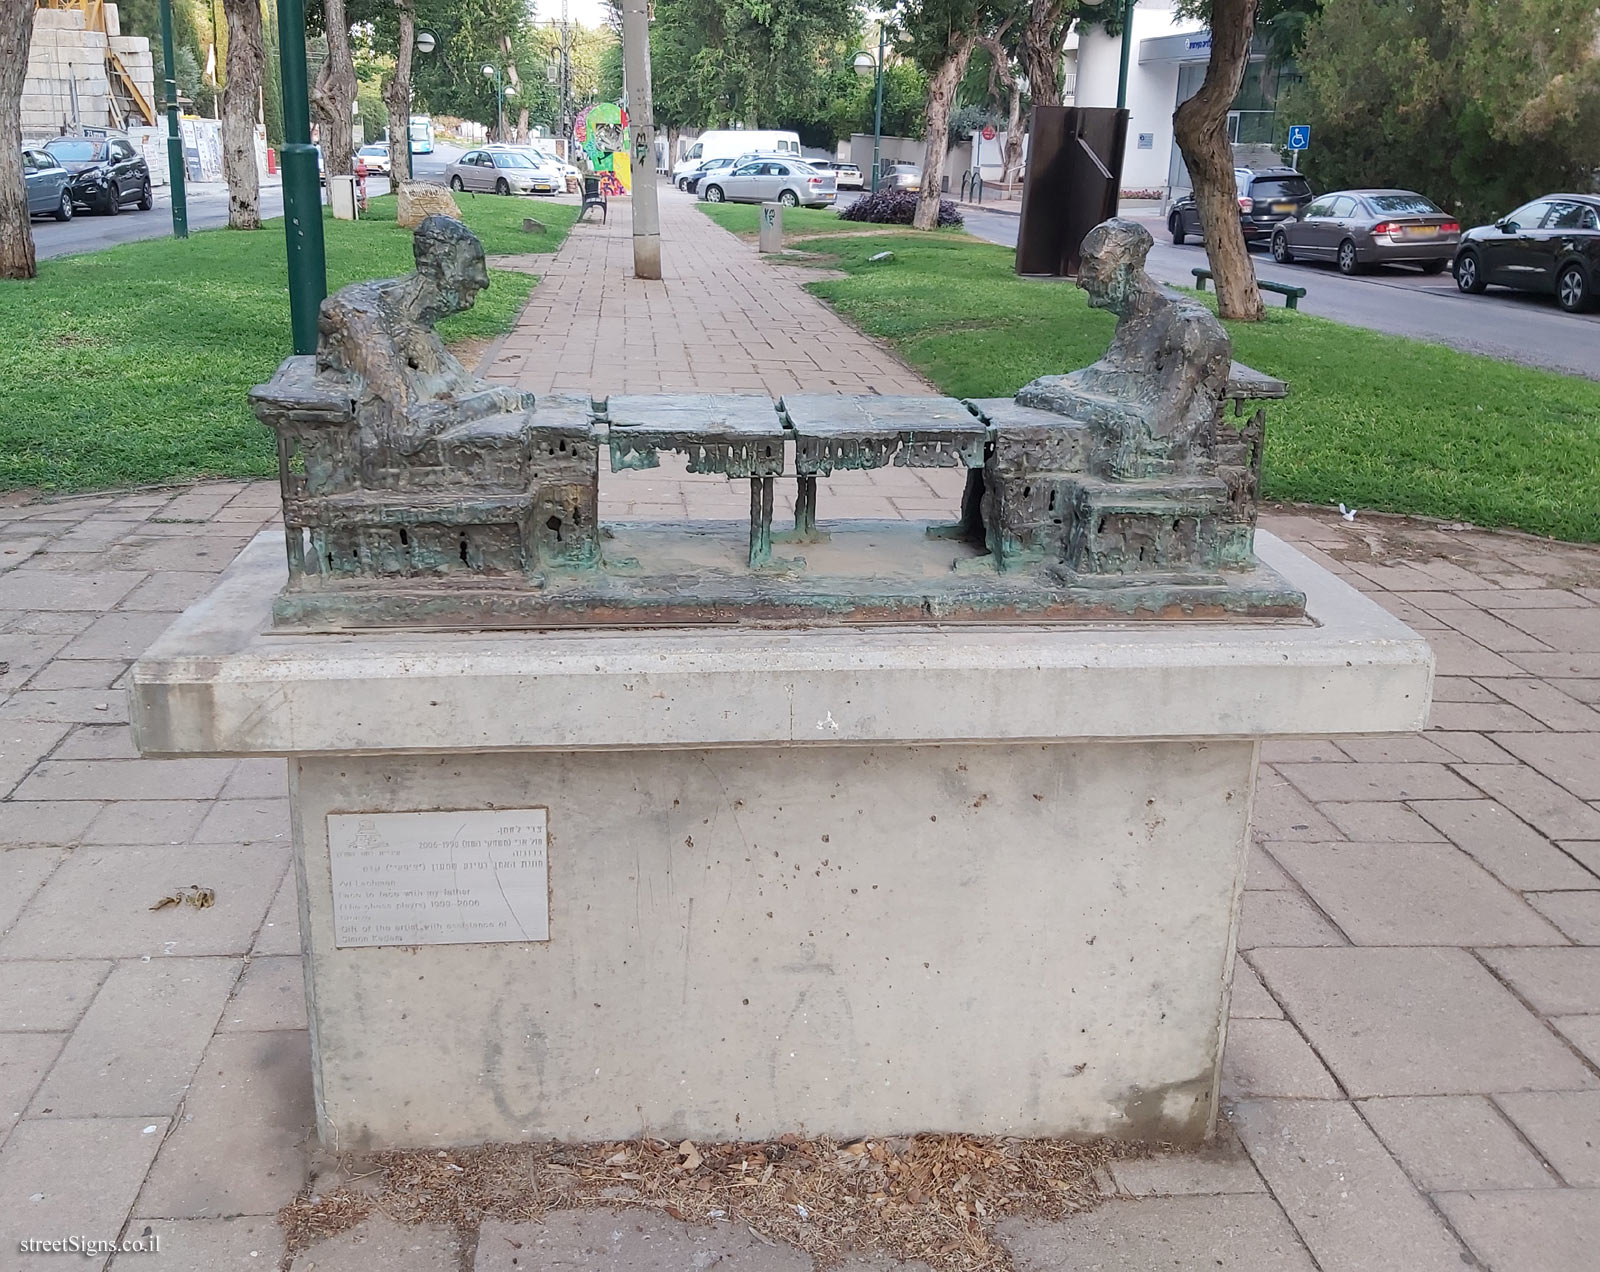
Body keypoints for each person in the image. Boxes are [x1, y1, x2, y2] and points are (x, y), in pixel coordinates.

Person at [1016, 218, 1230, 476]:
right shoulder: (1135, 320)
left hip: (1157, 473)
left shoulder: (1188, 327)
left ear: (1129, 268)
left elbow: (1155, 426)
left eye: (1094, 266)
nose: (1081, 280)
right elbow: (1102, 385)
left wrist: (1050, 396)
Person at [315, 215, 528, 461]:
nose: (483, 280)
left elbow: (455, 392)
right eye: (472, 264)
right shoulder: (364, 318)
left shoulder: (416, 321)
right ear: (441, 266)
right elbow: (406, 429)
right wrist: (497, 400)